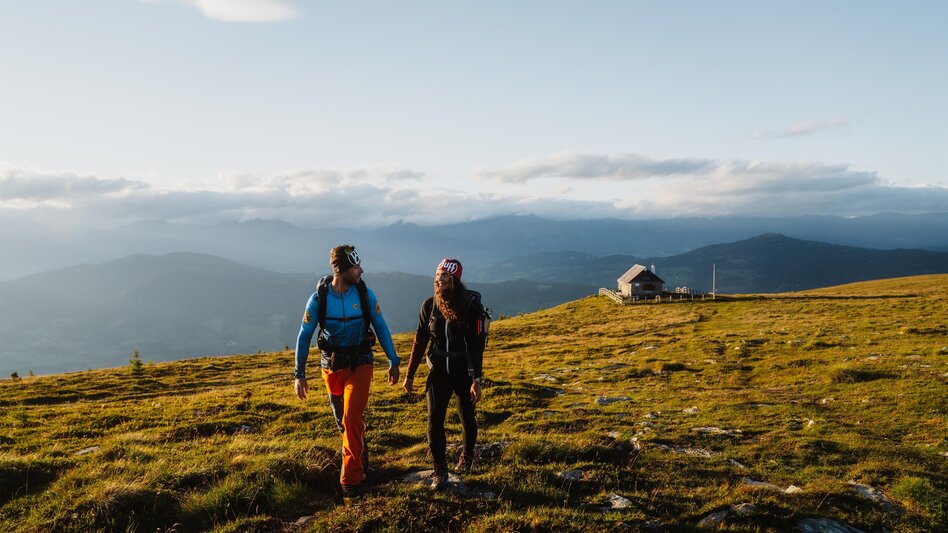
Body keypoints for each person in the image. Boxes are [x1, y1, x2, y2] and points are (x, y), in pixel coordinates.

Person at [294, 244, 400, 502]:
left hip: (361, 364)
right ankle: (362, 465)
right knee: (344, 423)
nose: (361, 270)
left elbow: (382, 327)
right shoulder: (318, 299)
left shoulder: (365, 294)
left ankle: (350, 482)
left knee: (352, 418)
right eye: (356, 266)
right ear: (342, 270)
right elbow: (304, 335)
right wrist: (299, 374)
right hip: (331, 367)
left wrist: (393, 359)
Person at [402, 258, 488, 489]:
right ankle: (440, 471)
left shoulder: (470, 306)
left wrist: (476, 379)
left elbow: (476, 345)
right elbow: (420, 340)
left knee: (466, 416)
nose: (440, 280)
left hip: (463, 372)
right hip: (438, 371)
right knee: (434, 420)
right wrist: (409, 375)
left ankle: (467, 458)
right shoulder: (429, 305)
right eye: (438, 276)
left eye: (445, 277)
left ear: (455, 280)